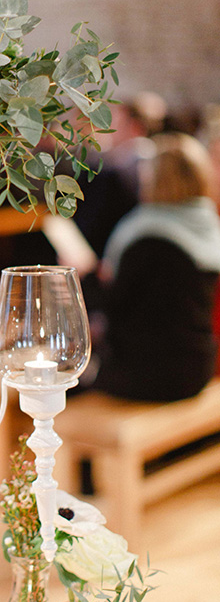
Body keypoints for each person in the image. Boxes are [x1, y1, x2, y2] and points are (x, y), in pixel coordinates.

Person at [93, 133, 220, 402]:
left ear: (155, 179)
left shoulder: (145, 236)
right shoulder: (210, 227)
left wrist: (90, 275)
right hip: (199, 369)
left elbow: (113, 310)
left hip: (149, 375)